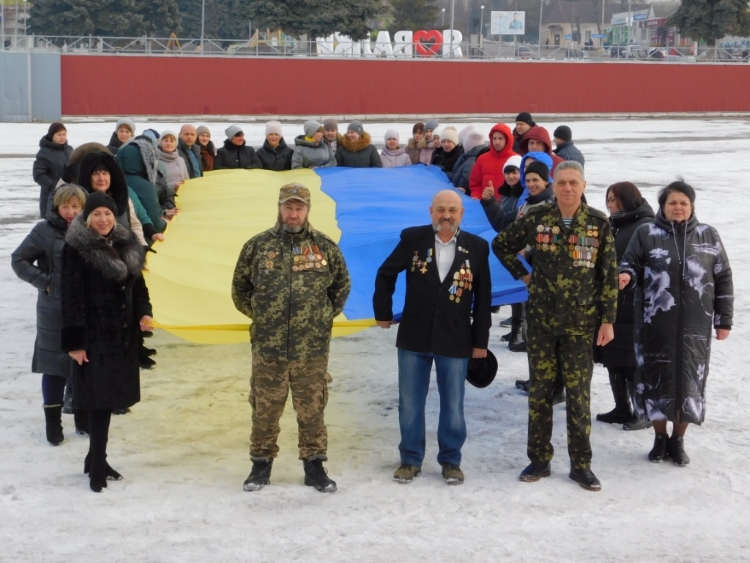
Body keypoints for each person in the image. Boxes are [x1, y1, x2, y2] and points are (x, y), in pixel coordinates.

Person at [492, 161, 618, 492]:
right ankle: (539, 459)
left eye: (573, 182)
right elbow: (501, 244)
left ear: (583, 185)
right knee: (541, 392)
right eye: (561, 182)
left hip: (581, 323)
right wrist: (524, 275)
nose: (567, 188)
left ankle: (581, 465)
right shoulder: (537, 218)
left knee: (578, 395)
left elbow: (607, 273)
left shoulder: (597, 224)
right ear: (554, 183)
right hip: (543, 321)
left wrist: (608, 320)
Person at [232, 184, 351, 493]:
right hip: (268, 347)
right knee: (264, 409)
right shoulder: (257, 246)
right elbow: (240, 289)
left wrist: (321, 317)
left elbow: (341, 287)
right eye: (288, 207)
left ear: (308, 210)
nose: (293, 213)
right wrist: (262, 315)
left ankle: (315, 466)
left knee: (312, 409)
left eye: (299, 207)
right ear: (279, 208)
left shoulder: (324, 247)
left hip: (310, 349)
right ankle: (260, 466)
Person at [373, 190, 492, 486]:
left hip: (456, 338)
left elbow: (483, 297)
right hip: (414, 335)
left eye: (452, 210)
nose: (446, 215)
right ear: (431, 212)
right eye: (441, 209)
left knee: (453, 404)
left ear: (461, 213)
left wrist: (480, 342)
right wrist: (383, 312)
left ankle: (451, 461)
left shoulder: (476, 247)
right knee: (410, 403)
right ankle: (410, 459)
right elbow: (386, 273)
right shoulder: (413, 239)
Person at [619, 181, 733, 466]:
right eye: (672, 203)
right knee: (655, 380)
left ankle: (678, 440)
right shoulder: (647, 233)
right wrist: (626, 275)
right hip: (654, 324)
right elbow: (629, 263)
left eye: (683, 202)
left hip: (696, 325)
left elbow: (723, 277)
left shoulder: (709, 235)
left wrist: (724, 319)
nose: (678, 207)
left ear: (692, 205)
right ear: (663, 206)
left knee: (689, 382)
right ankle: (659, 439)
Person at [61, 192, 153, 492]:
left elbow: (138, 286)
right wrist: (76, 342)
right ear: (87, 218)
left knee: (110, 397)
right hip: (93, 335)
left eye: (108, 214)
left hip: (122, 336)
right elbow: (71, 297)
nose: (103, 219)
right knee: (99, 401)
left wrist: (144, 313)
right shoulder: (76, 248)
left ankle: (93, 458)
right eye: (97, 214)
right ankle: (97, 465)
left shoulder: (127, 243)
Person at [12, 184, 88, 445]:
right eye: (65, 206)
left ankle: (82, 415)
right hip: (53, 308)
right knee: (55, 365)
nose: (70, 212)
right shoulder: (44, 230)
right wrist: (45, 282)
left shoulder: (91, 230)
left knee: (84, 362)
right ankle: (52, 422)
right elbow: (19, 259)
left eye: (76, 207)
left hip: (85, 309)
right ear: (56, 206)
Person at [595, 182, 654, 430]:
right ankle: (622, 407)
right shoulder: (613, 225)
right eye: (607, 200)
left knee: (632, 360)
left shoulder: (646, 226)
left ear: (627, 199)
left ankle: (642, 411)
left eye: (614, 199)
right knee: (613, 356)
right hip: (611, 301)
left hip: (635, 303)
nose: (609, 204)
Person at [117, 137, 169, 234]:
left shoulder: (114, 182)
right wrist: (164, 222)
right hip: (144, 235)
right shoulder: (145, 186)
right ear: (145, 161)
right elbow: (155, 222)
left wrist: (163, 211)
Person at [33, 122, 73, 218]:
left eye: (64, 134)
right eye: (59, 135)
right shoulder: (44, 153)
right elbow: (39, 175)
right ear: (52, 136)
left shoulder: (69, 150)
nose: (62, 137)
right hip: (51, 197)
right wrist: (54, 186)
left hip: (70, 196)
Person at [469, 123, 518, 199]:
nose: (497, 142)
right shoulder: (482, 159)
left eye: (500, 138)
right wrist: (477, 198)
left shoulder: (516, 159)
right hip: (485, 204)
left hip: (508, 206)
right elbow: (475, 184)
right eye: (494, 138)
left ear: (507, 140)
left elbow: (521, 185)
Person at [157, 130, 189, 210]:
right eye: (165, 141)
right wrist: (173, 186)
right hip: (164, 202)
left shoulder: (180, 160)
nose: (169, 143)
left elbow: (186, 178)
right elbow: (155, 185)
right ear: (161, 142)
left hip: (182, 199)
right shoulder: (156, 161)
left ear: (176, 143)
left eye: (172, 141)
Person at [451, 130, 488, 194]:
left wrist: (462, 187)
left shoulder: (472, 158)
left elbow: (467, 174)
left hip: (464, 193)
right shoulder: (472, 156)